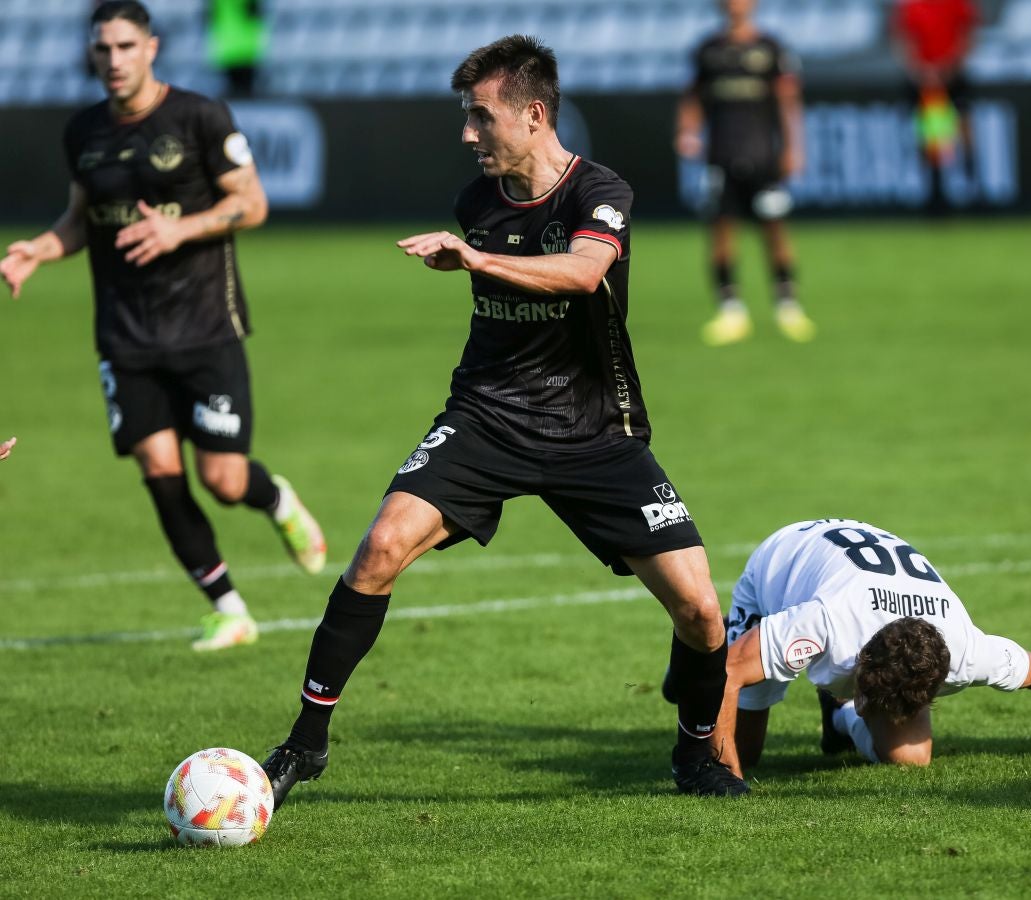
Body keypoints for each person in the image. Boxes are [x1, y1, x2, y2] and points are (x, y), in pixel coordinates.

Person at [259, 35, 748, 807]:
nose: (468, 135)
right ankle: (304, 745)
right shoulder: (476, 202)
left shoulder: (601, 191)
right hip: (487, 417)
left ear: (534, 114)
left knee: (699, 609)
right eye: (466, 119)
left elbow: (586, 272)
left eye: (481, 119)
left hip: (594, 431)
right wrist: (474, 249)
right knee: (380, 547)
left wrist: (476, 260)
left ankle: (695, 755)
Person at [0, 1, 326, 651]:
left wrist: (181, 226)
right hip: (125, 334)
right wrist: (41, 248)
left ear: (151, 47)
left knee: (222, 479)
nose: (114, 60)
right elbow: (80, 221)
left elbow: (252, 204)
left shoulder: (201, 117)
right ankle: (229, 609)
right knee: (157, 468)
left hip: (206, 324)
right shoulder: (84, 132)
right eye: (103, 49)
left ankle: (276, 500)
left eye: (126, 46)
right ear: (92, 55)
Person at [705, 519, 1031, 777]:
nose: (870, 703)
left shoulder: (968, 649)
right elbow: (729, 671)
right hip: (784, 560)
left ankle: (837, 714)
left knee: (910, 760)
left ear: (934, 690)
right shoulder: (827, 620)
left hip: (853, 598)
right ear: (862, 659)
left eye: (872, 701)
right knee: (745, 749)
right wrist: (726, 780)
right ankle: (700, 639)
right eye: (864, 693)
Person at [676, 0, 814, 347]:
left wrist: (794, 148)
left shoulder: (771, 48)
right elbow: (692, 98)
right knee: (722, 233)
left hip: (763, 159)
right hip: (721, 158)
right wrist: (688, 131)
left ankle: (787, 306)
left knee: (775, 232)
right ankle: (731, 310)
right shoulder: (708, 51)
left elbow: (788, 101)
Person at [888, 0, 979, 214]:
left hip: (952, 76)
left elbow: (968, 36)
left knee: (963, 128)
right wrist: (923, 71)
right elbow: (904, 42)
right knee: (933, 138)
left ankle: (972, 183)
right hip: (924, 79)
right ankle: (936, 193)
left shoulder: (957, 4)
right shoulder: (912, 6)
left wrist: (949, 68)